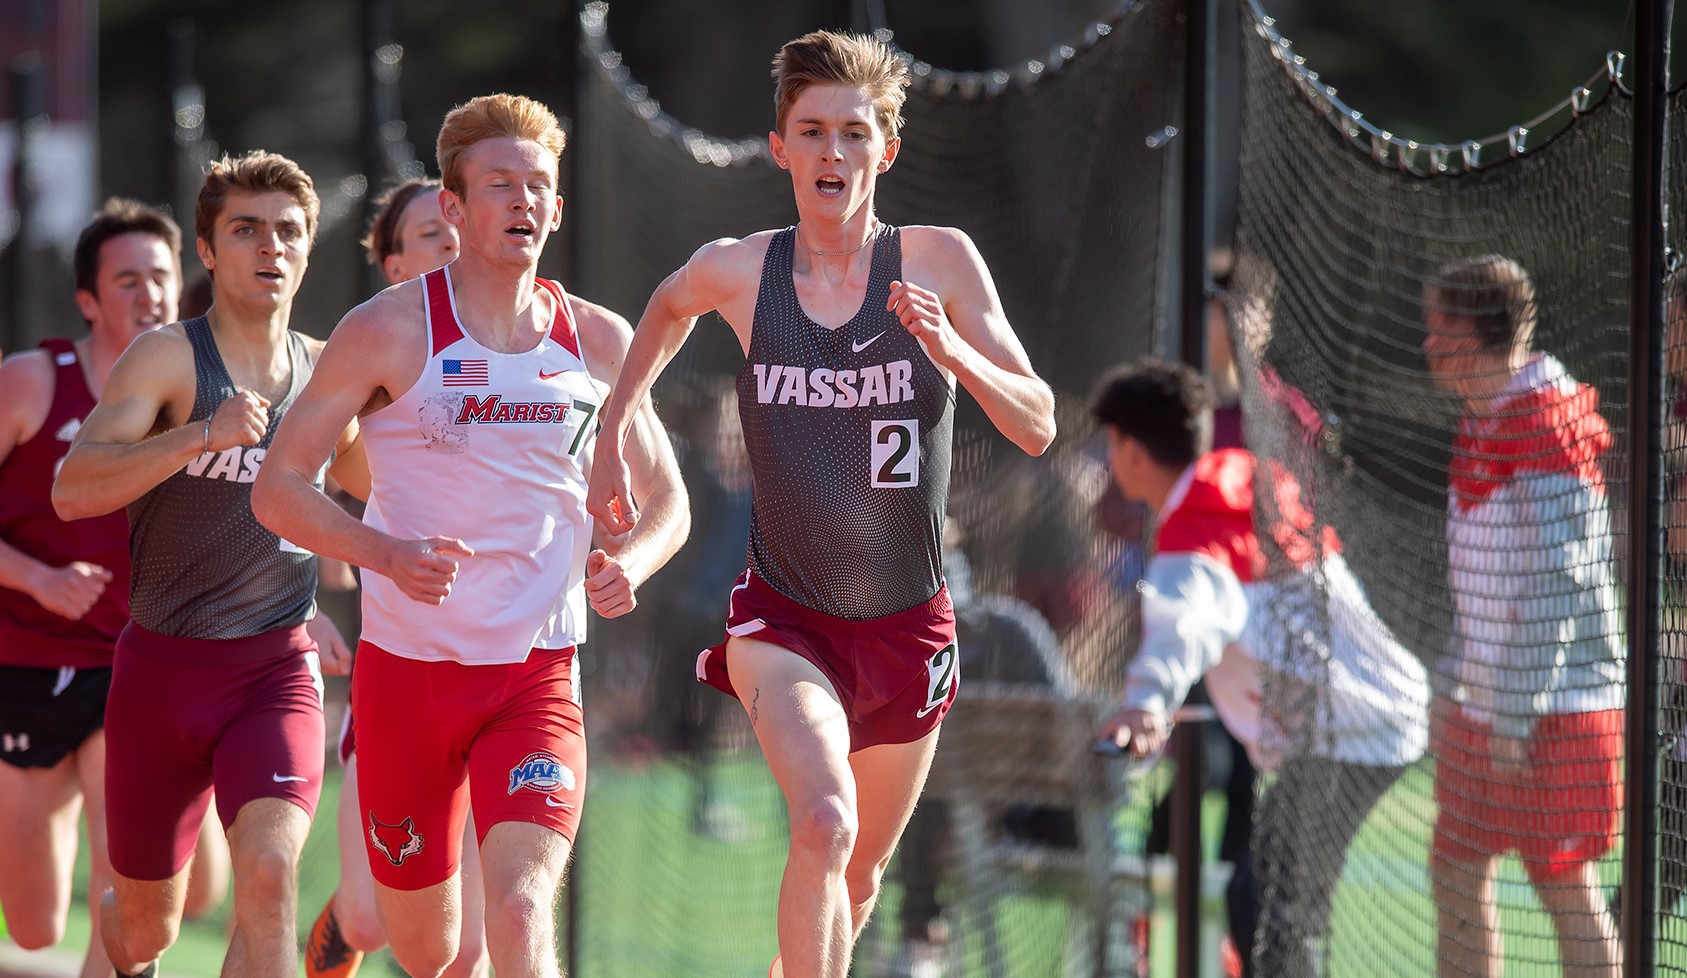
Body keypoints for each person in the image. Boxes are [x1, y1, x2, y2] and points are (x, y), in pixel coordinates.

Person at [586, 31, 1057, 978]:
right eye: (811, 132)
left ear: (885, 150)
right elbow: (669, 305)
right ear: (780, 149)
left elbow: (1038, 423)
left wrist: (952, 353)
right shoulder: (743, 271)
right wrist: (613, 431)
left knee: (857, 873)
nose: (832, 153)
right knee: (824, 820)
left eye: (853, 133)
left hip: (909, 628)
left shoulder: (937, 262)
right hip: (784, 620)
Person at [252, 93, 688, 978]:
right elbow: (277, 487)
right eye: (500, 184)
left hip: (536, 678)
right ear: (452, 207)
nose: (523, 201)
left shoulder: (599, 342)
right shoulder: (386, 331)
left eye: (538, 186)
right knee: (427, 949)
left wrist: (630, 560)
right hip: (407, 682)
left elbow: (668, 499)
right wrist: (384, 554)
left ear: (558, 208)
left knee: (521, 912)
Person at [51, 151, 361, 978]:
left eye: (288, 231)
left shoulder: (333, 373)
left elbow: (390, 491)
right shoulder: (165, 359)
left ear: (307, 250)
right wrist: (197, 435)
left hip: (274, 669)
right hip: (159, 675)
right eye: (246, 229)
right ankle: (125, 925)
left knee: (269, 872)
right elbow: (72, 490)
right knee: (146, 927)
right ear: (209, 249)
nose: (270, 246)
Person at [1093, 360, 1429, 978]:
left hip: (1355, 730)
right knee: (1264, 897)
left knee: (1269, 904)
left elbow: (1185, 619)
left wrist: (1144, 702)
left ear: (1131, 449)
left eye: (1110, 442)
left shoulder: (1196, 527)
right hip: (1360, 720)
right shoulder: (1234, 480)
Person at [0, 198, 229, 977]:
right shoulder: (33, 383)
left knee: (127, 878)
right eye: (126, 281)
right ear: (89, 301)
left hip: (133, 664)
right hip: (23, 668)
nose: (149, 296)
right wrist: (35, 577)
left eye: (160, 277)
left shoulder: (208, 395)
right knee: (31, 926)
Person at [301, 176, 486, 978]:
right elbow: (282, 487)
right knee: (378, 920)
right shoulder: (374, 355)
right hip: (405, 669)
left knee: (475, 944)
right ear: (391, 263)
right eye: (428, 234)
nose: (450, 241)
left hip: (521, 668)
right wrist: (305, 601)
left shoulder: (536, 351)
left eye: (457, 226)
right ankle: (340, 921)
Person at [1420, 255, 1625, 978]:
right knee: (1453, 871)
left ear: (1477, 335)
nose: (1425, 345)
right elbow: (1480, 582)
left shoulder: (1548, 419)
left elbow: (1555, 585)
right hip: (1491, 705)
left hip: (1559, 706)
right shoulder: (1479, 422)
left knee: (1564, 886)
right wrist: (1452, 683)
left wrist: (1510, 714)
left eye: (1437, 328)